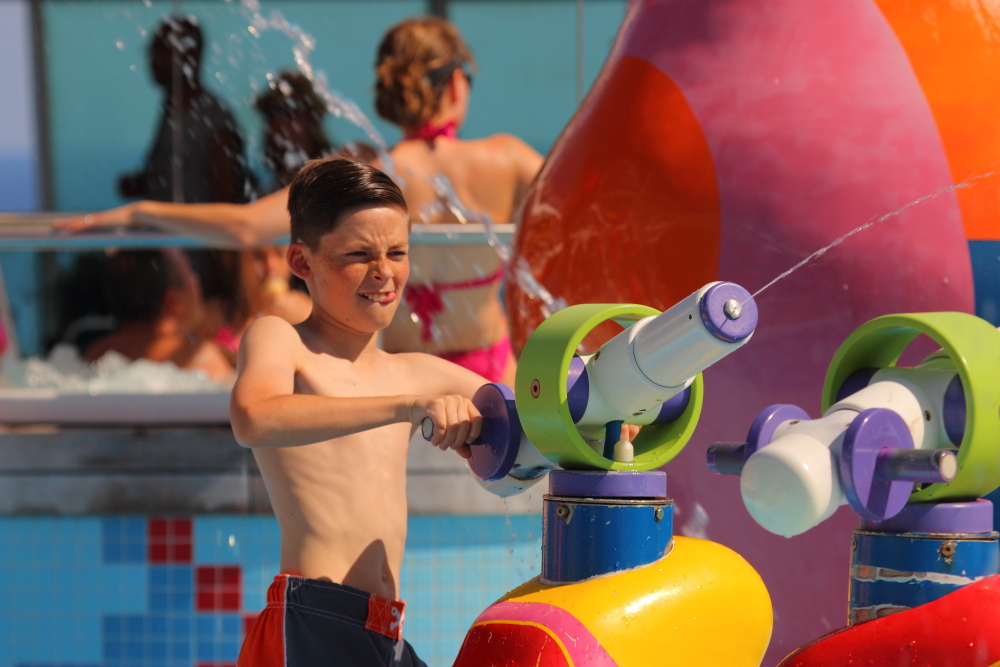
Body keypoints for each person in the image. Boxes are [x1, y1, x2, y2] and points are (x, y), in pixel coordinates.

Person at [58, 17, 543, 384]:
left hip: (399, 376)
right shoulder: (508, 161)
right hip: (491, 374)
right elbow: (592, 218)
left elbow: (246, 227)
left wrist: (142, 210)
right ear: (456, 83)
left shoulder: (371, 166)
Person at [231, 157, 485, 667]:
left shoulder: (416, 371)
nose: (384, 272)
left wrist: (610, 407)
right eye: (358, 254)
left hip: (383, 630)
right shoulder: (283, 340)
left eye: (397, 252)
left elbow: (534, 413)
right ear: (301, 263)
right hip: (312, 620)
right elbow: (253, 417)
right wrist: (407, 409)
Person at [119, 15, 253, 205]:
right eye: (152, 50)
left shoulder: (212, 120)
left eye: (164, 49)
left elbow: (227, 201)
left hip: (195, 234)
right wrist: (142, 184)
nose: (153, 58)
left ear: (192, 56)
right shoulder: (174, 110)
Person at [84, 248, 234, 383]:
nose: (197, 281)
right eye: (191, 273)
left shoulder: (96, 353)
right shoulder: (200, 357)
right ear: (173, 300)